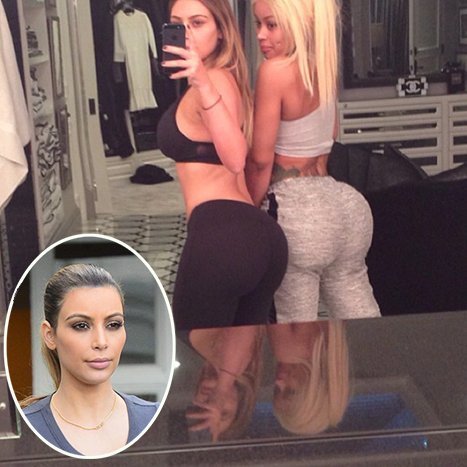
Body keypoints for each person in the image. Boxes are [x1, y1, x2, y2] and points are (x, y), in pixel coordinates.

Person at [246, 0, 381, 322]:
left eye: (272, 25)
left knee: (295, 330)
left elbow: (261, 161)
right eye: (258, 24)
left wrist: (248, 212)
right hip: (346, 208)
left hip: (298, 212)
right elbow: (330, 137)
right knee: (363, 321)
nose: (261, 35)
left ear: (299, 23)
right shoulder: (324, 67)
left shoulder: (274, 71)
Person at [157, 0, 287, 330]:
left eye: (198, 23)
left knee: (191, 354)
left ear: (222, 31)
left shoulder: (213, 80)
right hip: (256, 237)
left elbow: (235, 157)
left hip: (222, 237)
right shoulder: (227, 79)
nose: (186, 33)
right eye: (177, 23)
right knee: (242, 360)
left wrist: (202, 82)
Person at [21, 264, 158, 457]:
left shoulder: (153, 417)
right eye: (81, 325)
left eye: (113, 324)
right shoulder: (25, 431)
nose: (101, 342)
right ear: (50, 335)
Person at [267, 320, 350, 435]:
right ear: (314, 390)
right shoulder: (286, 350)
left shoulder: (335, 329)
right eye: (291, 391)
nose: (278, 382)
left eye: (276, 391)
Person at [186, 326, 264, 441]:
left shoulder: (179, 347)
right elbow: (245, 322)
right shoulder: (240, 352)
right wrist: (222, 388)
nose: (211, 404)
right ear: (241, 400)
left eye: (201, 411)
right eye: (223, 413)